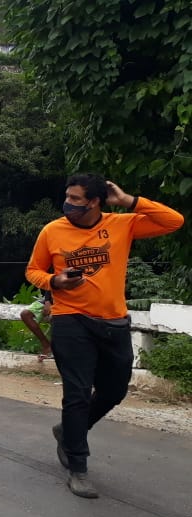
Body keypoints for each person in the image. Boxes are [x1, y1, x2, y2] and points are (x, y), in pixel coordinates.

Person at [26, 174, 184, 499]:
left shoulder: (122, 224)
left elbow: (174, 221)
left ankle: (69, 432)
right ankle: (78, 466)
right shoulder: (52, 231)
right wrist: (55, 282)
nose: (67, 203)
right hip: (70, 321)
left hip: (113, 323)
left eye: (75, 199)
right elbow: (33, 271)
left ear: (95, 201)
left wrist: (128, 201)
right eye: (67, 197)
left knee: (114, 390)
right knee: (78, 393)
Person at [20, 293, 53, 361]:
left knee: (55, 317)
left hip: (67, 301)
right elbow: (49, 287)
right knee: (25, 314)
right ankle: (46, 346)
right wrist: (47, 302)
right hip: (51, 298)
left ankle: (58, 349)